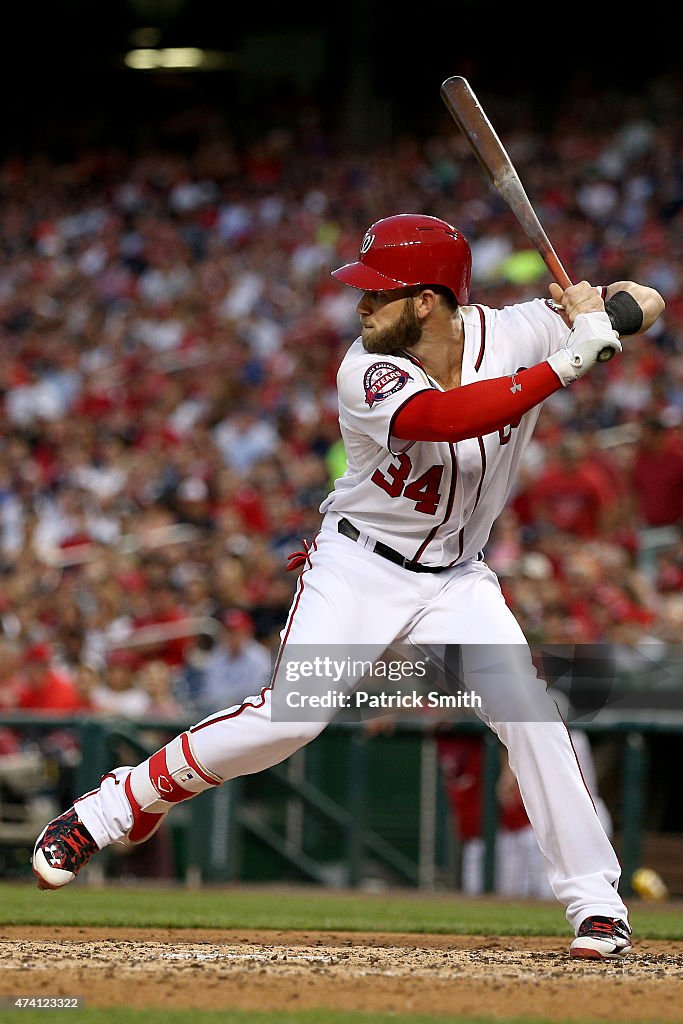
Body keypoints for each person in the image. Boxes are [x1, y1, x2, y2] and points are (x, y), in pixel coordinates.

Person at [32, 213, 664, 961]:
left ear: (427, 301)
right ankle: (117, 804)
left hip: (456, 577)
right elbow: (442, 420)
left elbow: (648, 298)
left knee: (529, 711)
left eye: (378, 294)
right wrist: (568, 362)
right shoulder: (365, 368)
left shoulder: (521, 328)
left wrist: (600, 313)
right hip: (359, 564)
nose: (360, 308)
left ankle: (595, 904)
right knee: (292, 716)